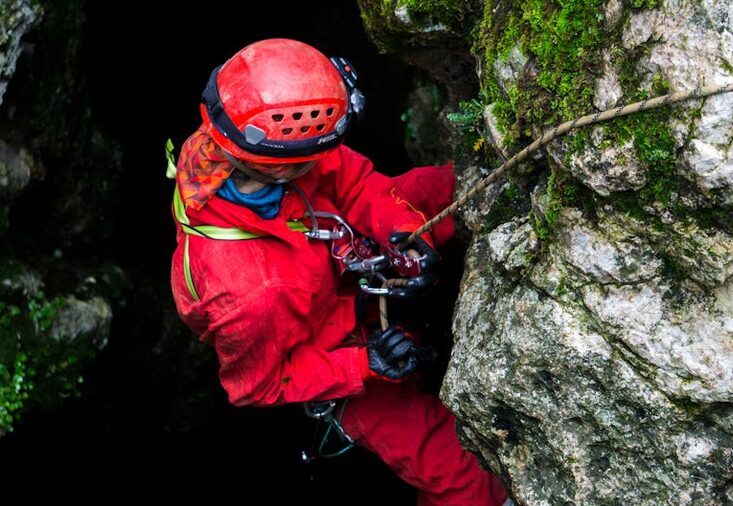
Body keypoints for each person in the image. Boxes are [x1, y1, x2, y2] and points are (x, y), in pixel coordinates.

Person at [169, 38, 509, 506]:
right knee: (460, 478)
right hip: (333, 351)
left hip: (331, 267)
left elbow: (353, 183)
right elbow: (258, 386)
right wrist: (367, 363)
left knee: (443, 187)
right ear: (284, 168)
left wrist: (405, 235)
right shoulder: (250, 295)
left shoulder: (246, 139)